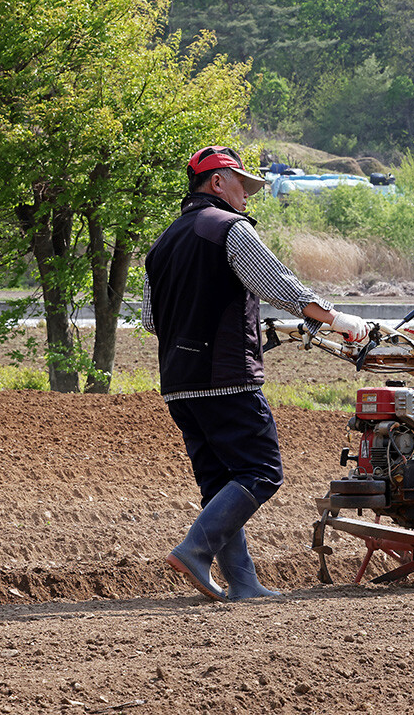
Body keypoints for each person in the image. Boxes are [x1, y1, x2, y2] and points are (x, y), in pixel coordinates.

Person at [143, 146, 369, 602]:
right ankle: (195, 550)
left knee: (218, 481)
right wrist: (336, 318)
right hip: (227, 377)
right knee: (261, 470)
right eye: (243, 184)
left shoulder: (161, 244)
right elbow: (278, 284)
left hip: (178, 383)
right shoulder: (230, 227)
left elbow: (152, 321)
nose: (248, 194)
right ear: (217, 182)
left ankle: (243, 583)